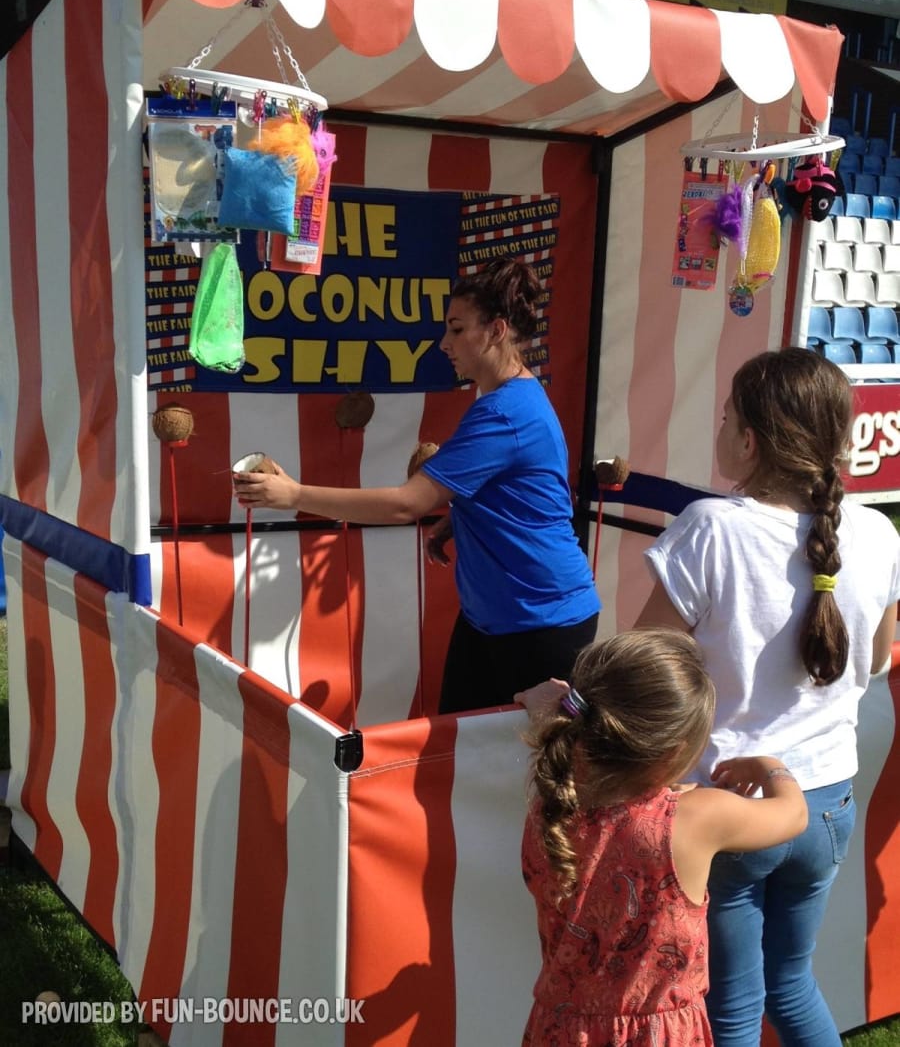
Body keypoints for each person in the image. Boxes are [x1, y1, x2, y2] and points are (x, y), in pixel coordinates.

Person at [635, 347, 900, 1047]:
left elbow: (641, 670)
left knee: (730, 1006)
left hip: (729, 805)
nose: (720, 429)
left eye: (726, 418)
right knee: (790, 984)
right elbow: (876, 661)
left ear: (749, 440)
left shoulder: (711, 527)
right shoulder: (878, 532)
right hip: (828, 802)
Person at [233, 255, 599, 713]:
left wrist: (295, 495)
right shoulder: (512, 396)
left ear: (497, 331)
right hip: (494, 617)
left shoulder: (505, 411)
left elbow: (407, 504)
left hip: (542, 622)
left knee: (522, 755)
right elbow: (521, 493)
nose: (444, 343)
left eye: (457, 329)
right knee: (457, 745)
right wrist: (462, 519)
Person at [514, 628, 808, 1047]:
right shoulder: (695, 817)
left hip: (560, 1028)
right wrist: (768, 766)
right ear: (674, 752)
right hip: (658, 1036)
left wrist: (549, 706)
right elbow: (794, 814)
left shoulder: (552, 800)